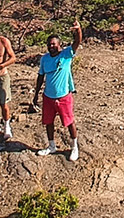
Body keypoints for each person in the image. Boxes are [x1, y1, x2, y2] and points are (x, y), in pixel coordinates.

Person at [31, 21, 84, 160]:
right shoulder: (45, 59)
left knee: (69, 121)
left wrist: (78, 30)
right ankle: (51, 146)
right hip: (48, 96)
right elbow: (40, 76)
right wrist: (36, 94)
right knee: (48, 121)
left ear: (59, 44)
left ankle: (74, 147)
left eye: (53, 44)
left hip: (63, 96)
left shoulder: (66, 54)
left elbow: (77, 41)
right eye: (49, 44)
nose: (51, 46)